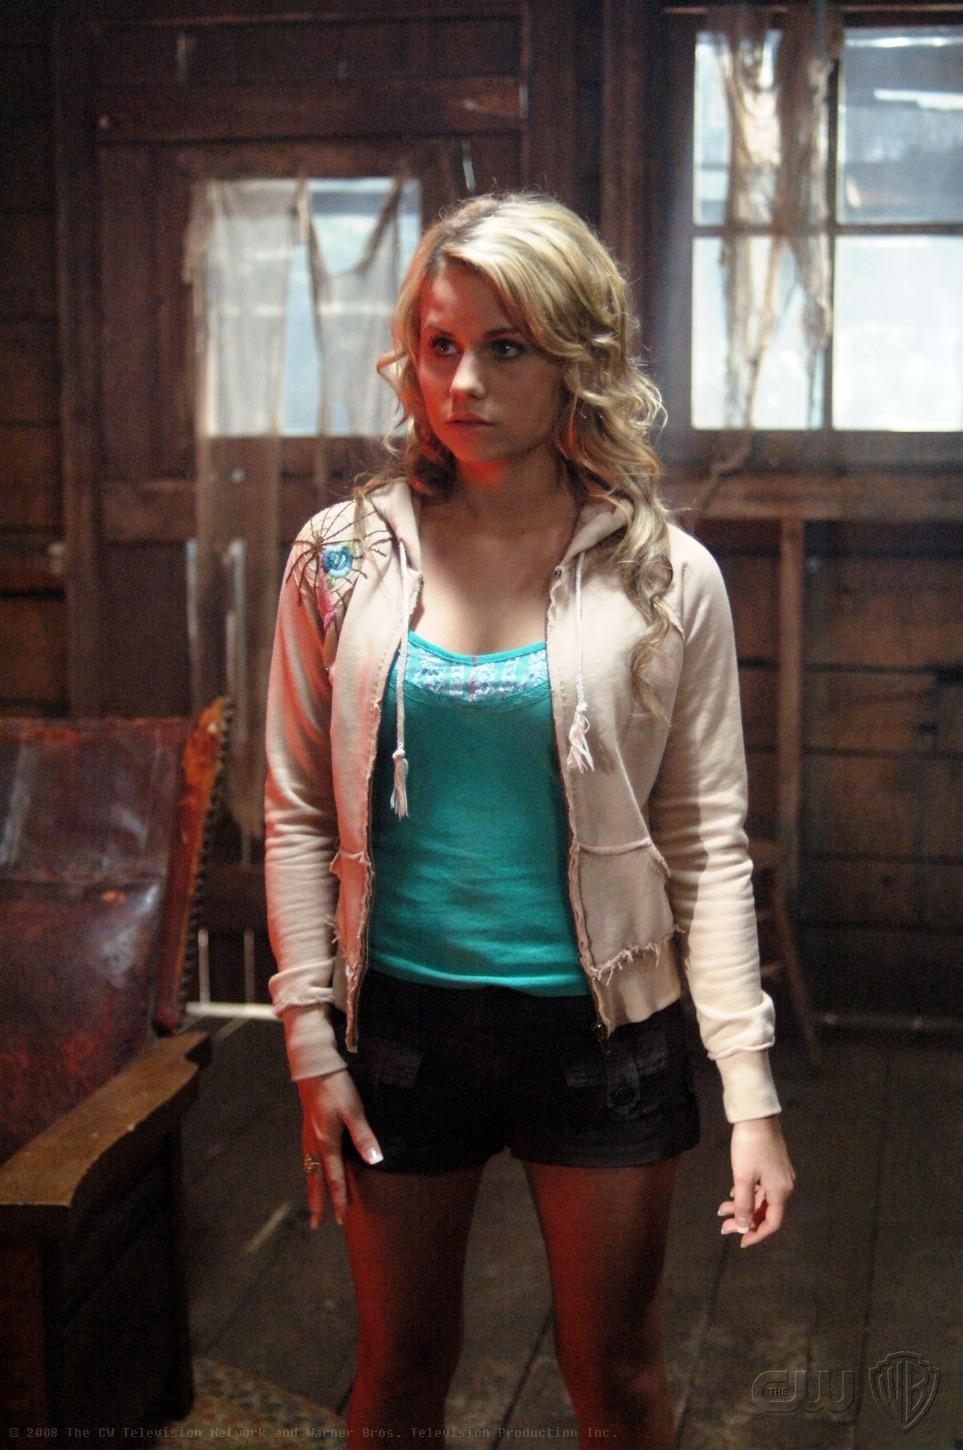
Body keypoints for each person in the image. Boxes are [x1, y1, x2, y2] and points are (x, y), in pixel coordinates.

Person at [264, 192, 796, 1450]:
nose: (465, 382)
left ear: (577, 359)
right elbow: (294, 814)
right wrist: (310, 1041)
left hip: (602, 1032)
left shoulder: (666, 575)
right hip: (401, 1024)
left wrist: (752, 1091)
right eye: (441, 344)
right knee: (398, 1372)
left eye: (507, 347)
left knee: (616, 1375)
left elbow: (706, 843)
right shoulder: (339, 559)